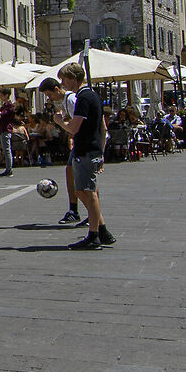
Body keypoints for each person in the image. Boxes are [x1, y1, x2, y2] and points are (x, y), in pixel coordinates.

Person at [59, 66, 112, 249]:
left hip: (86, 149)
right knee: (82, 191)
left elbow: (74, 128)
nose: (62, 83)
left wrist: (60, 122)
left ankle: (94, 235)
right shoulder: (93, 95)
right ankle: (102, 230)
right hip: (92, 148)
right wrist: (102, 151)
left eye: (64, 79)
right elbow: (102, 127)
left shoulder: (83, 98)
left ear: (73, 78)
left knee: (88, 192)